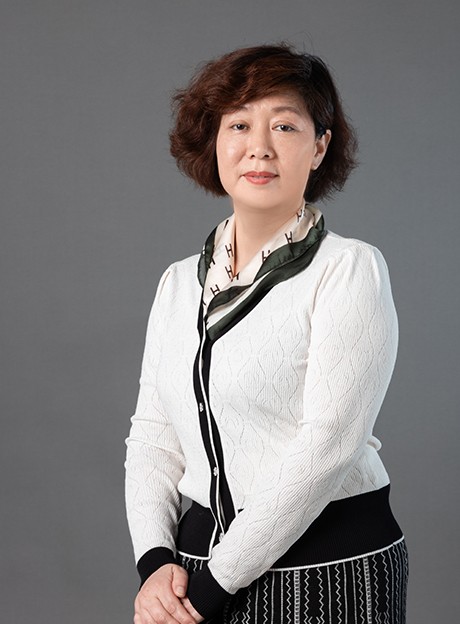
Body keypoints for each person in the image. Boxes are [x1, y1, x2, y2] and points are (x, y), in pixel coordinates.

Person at [125, 43, 408, 624]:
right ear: (214, 140)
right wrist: (154, 563)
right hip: (191, 569)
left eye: (284, 125)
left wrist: (214, 586)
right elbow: (154, 437)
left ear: (319, 146)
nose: (259, 146)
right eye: (239, 125)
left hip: (329, 572)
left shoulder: (347, 268)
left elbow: (329, 445)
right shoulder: (178, 283)